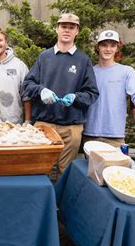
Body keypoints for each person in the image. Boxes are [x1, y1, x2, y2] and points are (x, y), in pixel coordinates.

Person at [23, 13, 99, 175]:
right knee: (39, 170)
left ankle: (62, 201)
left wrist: (76, 97)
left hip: (71, 128)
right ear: (57, 29)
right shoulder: (44, 57)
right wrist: (41, 90)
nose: (67, 30)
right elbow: (27, 85)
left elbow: (92, 93)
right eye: (63, 26)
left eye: (71, 27)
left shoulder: (83, 60)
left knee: (65, 172)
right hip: (44, 125)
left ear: (77, 31)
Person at [82, 30, 135, 148]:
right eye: (104, 45)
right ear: (98, 47)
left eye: (112, 45)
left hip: (115, 137)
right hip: (89, 135)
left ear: (117, 48)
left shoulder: (126, 72)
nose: (108, 49)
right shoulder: (89, 72)